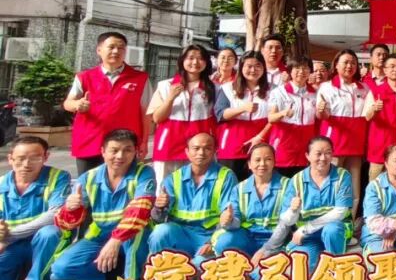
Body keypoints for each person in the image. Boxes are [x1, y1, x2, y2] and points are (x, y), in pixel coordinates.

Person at [51, 130, 154, 280]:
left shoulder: (144, 173)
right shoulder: (88, 178)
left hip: (132, 233)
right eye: (114, 150)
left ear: (135, 152)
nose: (120, 156)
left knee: (138, 230)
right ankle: (110, 278)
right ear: (103, 152)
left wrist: (115, 241)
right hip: (99, 235)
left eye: (127, 150)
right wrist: (70, 208)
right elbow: (66, 223)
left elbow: (140, 211)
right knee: (61, 268)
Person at [146, 133, 241, 274]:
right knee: (160, 232)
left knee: (200, 266)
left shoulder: (226, 177)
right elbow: (158, 219)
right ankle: (160, 274)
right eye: (196, 148)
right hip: (180, 234)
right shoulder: (174, 179)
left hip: (209, 237)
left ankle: (184, 273)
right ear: (187, 152)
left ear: (215, 151)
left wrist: (212, 241)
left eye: (207, 148)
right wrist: (159, 208)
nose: (201, 153)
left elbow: (228, 217)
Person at [64, 32, 152, 175]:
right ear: (99, 50)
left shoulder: (140, 78)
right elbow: (68, 103)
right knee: (89, 184)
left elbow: (146, 112)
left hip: (124, 145)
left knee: (124, 183)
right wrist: (77, 104)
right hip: (89, 142)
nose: (116, 51)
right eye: (111, 47)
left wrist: (144, 142)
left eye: (121, 48)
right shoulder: (85, 77)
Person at [0, 136, 71, 280]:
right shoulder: (1, 184)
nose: (26, 164)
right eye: (20, 158)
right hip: (14, 246)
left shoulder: (58, 177)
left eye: (35, 158)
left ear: (46, 157)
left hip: (42, 241)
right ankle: (20, 274)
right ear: (10, 159)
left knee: (49, 232)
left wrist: (9, 235)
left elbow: (54, 214)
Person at [267, 136, 354, 269]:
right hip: (308, 236)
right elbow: (287, 220)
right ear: (307, 156)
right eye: (318, 153)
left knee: (332, 229)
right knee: (305, 267)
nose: (323, 158)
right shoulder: (297, 180)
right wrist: (293, 210)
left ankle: (336, 267)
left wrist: (305, 228)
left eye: (328, 153)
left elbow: (340, 212)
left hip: (334, 231)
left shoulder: (342, 176)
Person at [148, 45, 217, 185]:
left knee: (198, 184)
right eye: (190, 58)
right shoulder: (165, 85)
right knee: (165, 186)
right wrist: (170, 98)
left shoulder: (213, 88)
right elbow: (157, 118)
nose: (195, 62)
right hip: (169, 144)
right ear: (182, 61)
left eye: (200, 58)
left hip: (199, 146)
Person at [317, 49, 369, 217]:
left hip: (356, 143)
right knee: (331, 183)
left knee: (353, 186)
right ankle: (326, 220)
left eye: (353, 63)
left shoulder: (364, 88)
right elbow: (321, 115)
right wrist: (322, 110)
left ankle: (349, 222)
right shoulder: (327, 87)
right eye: (345, 62)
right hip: (335, 143)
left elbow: (368, 114)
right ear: (336, 65)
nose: (349, 66)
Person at [217, 143, 287, 265]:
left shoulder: (287, 185)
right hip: (247, 237)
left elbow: (285, 224)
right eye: (257, 160)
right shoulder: (239, 188)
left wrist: (266, 249)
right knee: (224, 242)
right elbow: (236, 222)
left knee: (264, 270)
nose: (262, 164)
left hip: (276, 239)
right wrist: (229, 221)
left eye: (268, 159)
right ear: (249, 164)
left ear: (274, 162)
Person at [214, 51, 271, 181]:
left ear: (264, 68)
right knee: (230, 182)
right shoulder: (228, 88)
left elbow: (275, 118)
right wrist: (242, 109)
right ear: (241, 68)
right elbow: (220, 114)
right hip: (232, 145)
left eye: (258, 66)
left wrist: (260, 137)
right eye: (249, 66)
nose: (253, 70)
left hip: (261, 144)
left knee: (259, 183)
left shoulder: (273, 90)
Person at [363, 53, 396, 181]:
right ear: (385, 70)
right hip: (380, 149)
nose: (395, 69)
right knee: (376, 186)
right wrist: (374, 109)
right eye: (391, 66)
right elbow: (367, 117)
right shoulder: (375, 91)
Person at [267, 57, 319, 176]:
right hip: (284, 143)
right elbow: (271, 118)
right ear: (290, 71)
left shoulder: (315, 93)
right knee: (281, 179)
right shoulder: (279, 92)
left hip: (306, 144)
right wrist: (282, 113)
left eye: (305, 68)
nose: (301, 71)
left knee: (302, 179)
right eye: (297, 68)